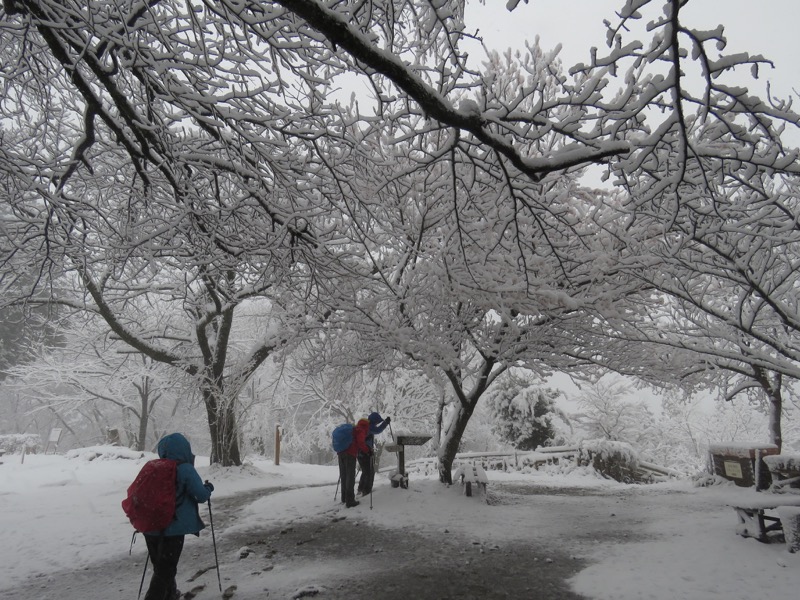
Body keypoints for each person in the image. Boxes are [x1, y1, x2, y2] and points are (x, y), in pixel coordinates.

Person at [143, 433, 213, 600]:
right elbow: (201, 495)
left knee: (162, 567)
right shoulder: (185, 469)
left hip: (151, 527)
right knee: (166, 569)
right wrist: (208, 488)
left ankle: (170, 594)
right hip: (173, 528)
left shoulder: (151, 467)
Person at [337, 419, 370, 508]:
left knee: (343, 476)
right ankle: (350, 500)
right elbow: (361, 442)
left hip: (341, 453)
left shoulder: (354, 429)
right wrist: (367, 450)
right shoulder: (361, 430)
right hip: (350, 454)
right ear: (366, 425)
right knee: (350, 477)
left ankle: (344, 498)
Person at [357, 412, 391, 496]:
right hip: (365, 452)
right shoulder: (369, 427)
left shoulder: (363, 427)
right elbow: (378, 430)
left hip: (359, 452)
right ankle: (366, 491)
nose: (377, 424)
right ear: (374, 421)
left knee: (365, 471)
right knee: (370, 472)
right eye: (376, 422)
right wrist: (385, 423)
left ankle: (360, 489)